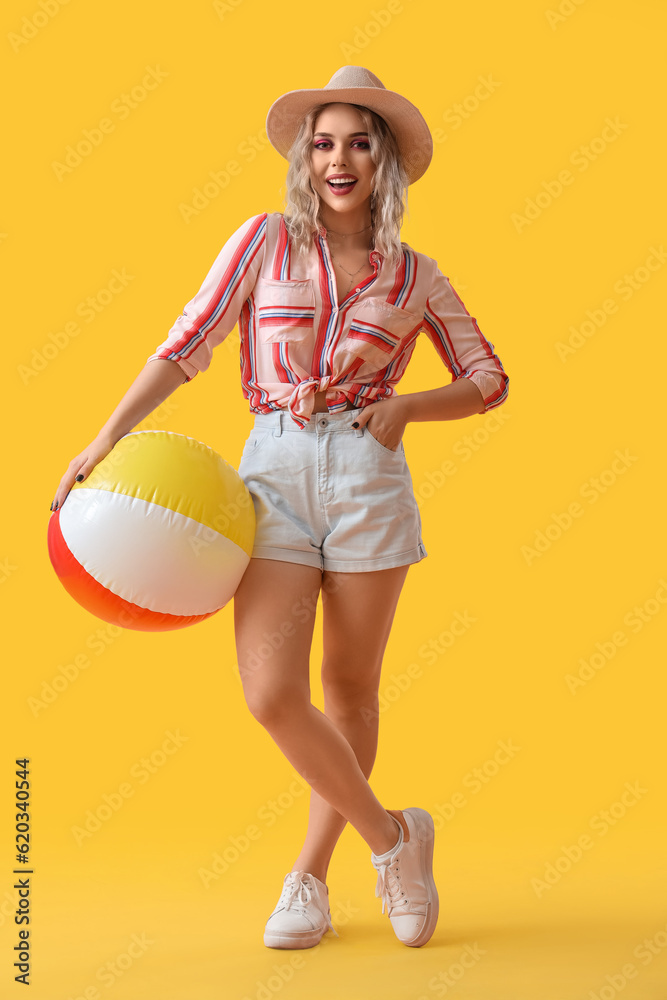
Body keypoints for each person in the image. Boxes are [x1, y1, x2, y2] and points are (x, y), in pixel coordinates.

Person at [51, 66, 509, 951]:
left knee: (348, 691)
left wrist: (409, 406)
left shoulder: (415, 275)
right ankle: (394, 840)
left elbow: (488, 379)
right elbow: (186, 346)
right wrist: (103, 440)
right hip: (274, 477)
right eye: (325, 141)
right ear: (306, 157)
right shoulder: (262, 243)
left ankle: (308, 877)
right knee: (271, 692)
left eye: (359, 143)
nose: (339, 158)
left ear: (384, 165)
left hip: (371, 485)